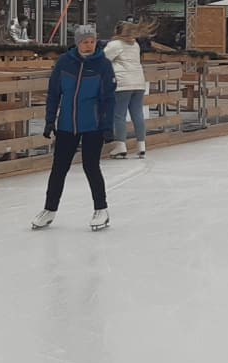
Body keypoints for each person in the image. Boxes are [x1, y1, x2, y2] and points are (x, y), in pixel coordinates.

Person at [32, 24, 117, 231]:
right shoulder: (64, 63)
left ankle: (101, 209)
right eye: (85, 42)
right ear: (78, 43)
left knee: (91, 166)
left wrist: (107, 126)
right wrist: (50, 120)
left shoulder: (103, 65)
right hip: (67, 125)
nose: (89, 46)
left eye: (92, 41)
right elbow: (54, 93)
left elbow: (108, 99)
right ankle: (49, 209)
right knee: (59, 168)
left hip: (93, 125)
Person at [104, 20, 150, 160]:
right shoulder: (135, 45)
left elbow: (103, 59)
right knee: (137, 114)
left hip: (123, 83)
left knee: (119, 115)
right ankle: (141, 145)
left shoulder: (115, 45)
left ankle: (121, 146)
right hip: (138, 82)